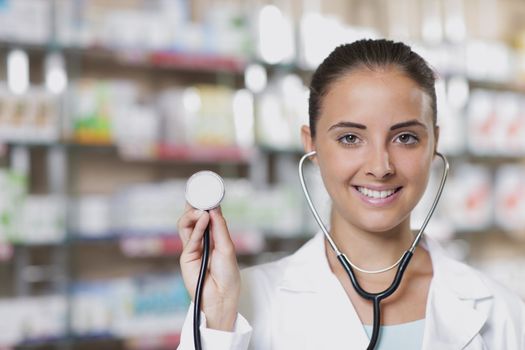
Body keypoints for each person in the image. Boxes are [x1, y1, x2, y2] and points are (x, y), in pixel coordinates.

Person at [176, 39, 525, 349]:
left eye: (405, 137)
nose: (380, 166)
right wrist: (218, 321)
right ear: (311, 145)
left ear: (435, 143)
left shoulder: (500, 310)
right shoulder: (245, 303)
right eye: (350, 138)